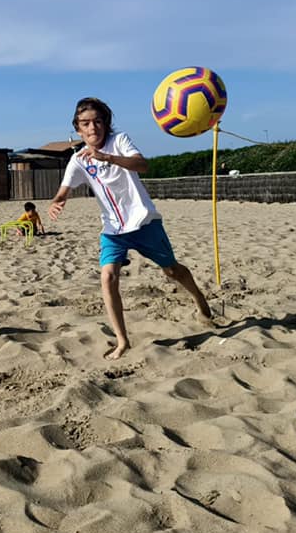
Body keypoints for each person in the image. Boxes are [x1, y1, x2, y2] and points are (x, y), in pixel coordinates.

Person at [48, 97, 213, 360]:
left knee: (172, 270)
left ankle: (199, 299)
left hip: (143, 222)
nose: (93, 128)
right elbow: (65, 189)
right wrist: (58, 201)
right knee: (108, 277)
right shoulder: (78, 159)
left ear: (106, 124)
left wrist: (107, 157)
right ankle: (122, 341)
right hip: (113, 229)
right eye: (86, 124)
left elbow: (142, 164)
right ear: (78, 130)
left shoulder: (119, 141)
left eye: (98, 122)